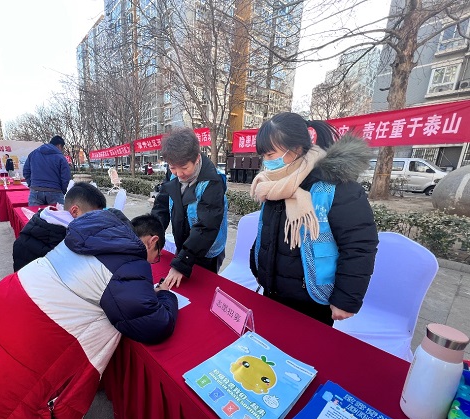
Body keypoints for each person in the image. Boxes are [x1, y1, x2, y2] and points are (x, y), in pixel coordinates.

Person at [0, 211, 178, 419]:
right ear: (151, 242)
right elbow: (154, 325)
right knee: (10, 414)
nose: (152, 263)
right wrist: (166, 295)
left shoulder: (84, 236)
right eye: (156, 258)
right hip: (19, 356)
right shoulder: (129, 263)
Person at [249, 112, 379, 326]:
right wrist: (258, 269)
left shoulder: (337, 186)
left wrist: (346, 299)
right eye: (264, 155)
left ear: (297, 149)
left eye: (271, 154)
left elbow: (359, 245)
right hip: (273, 291)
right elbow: (265, 232)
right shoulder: (272, 186)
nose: (267, 162)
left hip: (312, 300)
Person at [151, 127, 228, 289]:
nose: (178, 173)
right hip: (185, 243)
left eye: (184, 168)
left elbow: (206, 227)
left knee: (201, 290)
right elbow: (162, 205)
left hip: (206, 250)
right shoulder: (173, 172)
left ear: (197, 158)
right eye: (173, 167)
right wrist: (153, 237)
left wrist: (182, 263)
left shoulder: (212, 182)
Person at [12, 182, 106, 272]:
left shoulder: (37, 222)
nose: (95, 222)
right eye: (93, 217)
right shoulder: (72, 243)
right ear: (74, 211)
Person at [23, 136, 71, 206]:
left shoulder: (33, 154)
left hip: (35, 191)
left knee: (35, 215)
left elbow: (26, 171)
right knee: (58, 216)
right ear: (59, 145)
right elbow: (66, 177)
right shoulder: (61, 158)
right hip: (55, 191)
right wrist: (62, 190)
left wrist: (32, 184)